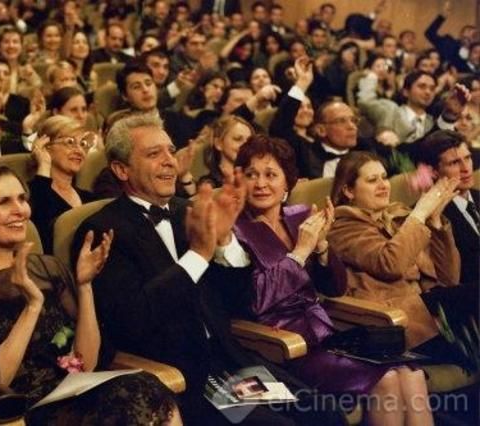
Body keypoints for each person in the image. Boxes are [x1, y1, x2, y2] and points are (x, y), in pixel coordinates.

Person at [71, 112, 346, 425]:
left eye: (170, 151)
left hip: (229, 359)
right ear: (122, 169)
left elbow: (238, 301)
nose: (169, 161)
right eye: (153, 154)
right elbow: (134, 320)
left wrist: (226, 243)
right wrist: (200, 254)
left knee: (325, 413)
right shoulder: (102, 231)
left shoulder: (188, 211)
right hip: (178, 376)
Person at [0, 161, 179, 424]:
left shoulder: (48, 267)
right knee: (136, 398)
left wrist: (85, 286)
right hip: (20, 412)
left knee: (149, 388)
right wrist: (32, 306)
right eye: (4, 202)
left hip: (73, 392)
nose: (20, 210)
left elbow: (86, 363)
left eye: (22, 199)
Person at [233, 136, 433, 426]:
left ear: (287, 182)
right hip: (281, 346)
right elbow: (254, 301)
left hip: (326, 333)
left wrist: (323, 248)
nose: (261, 183)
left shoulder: (300, 217)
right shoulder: (236, 232)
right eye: (252, 175)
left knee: (411, 375)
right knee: (387, 379)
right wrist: (301, 252)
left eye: (271, 174)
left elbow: (335, 288)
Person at [327, 151, 478, 361]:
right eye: (372, 180)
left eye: (384, 177)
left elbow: (449, 278)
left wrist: (436, 224)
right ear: (348, 191)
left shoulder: (396, 216)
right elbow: (391, 264)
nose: (383, 185)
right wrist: (419, 214)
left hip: (431, 312)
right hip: (395, 322)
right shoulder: (343, 228)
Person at [416, 130, 479, 286]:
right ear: (434, 172)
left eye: (468, 158)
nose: (466, 168)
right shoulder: (428, 215)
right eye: (454, 163)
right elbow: (447, 277)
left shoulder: (478, 196)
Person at [29, 116, 96, 254]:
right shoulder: (31, 192)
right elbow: (41, 231)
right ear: (46, 146)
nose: (79, 150)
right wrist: (44, 165)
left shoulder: (89, 198)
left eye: (83, 144)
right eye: (70, 142)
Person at [200, 115, 254, 188]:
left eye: (249, 141)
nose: (245, 145)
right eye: (238, 139)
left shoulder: (255, 179)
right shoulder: (208, 184)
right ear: (218, 143)